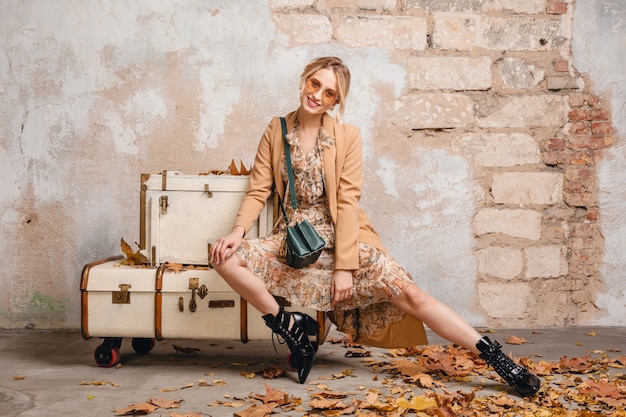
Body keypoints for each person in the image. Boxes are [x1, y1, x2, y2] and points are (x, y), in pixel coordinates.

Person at [209, 56, 541, 397]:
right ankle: (292, 328)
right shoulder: (275, 130)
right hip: (296, 242)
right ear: (304, 80)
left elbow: (347, 202)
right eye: (315, 84)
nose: (318, 95)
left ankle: (499, 361)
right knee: (223, 258)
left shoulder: (347, 137)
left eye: (329, 93)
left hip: (345, 240)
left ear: (335, 102)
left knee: (412, 295)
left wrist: (345, 266)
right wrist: (237, 232)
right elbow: (259, 188)